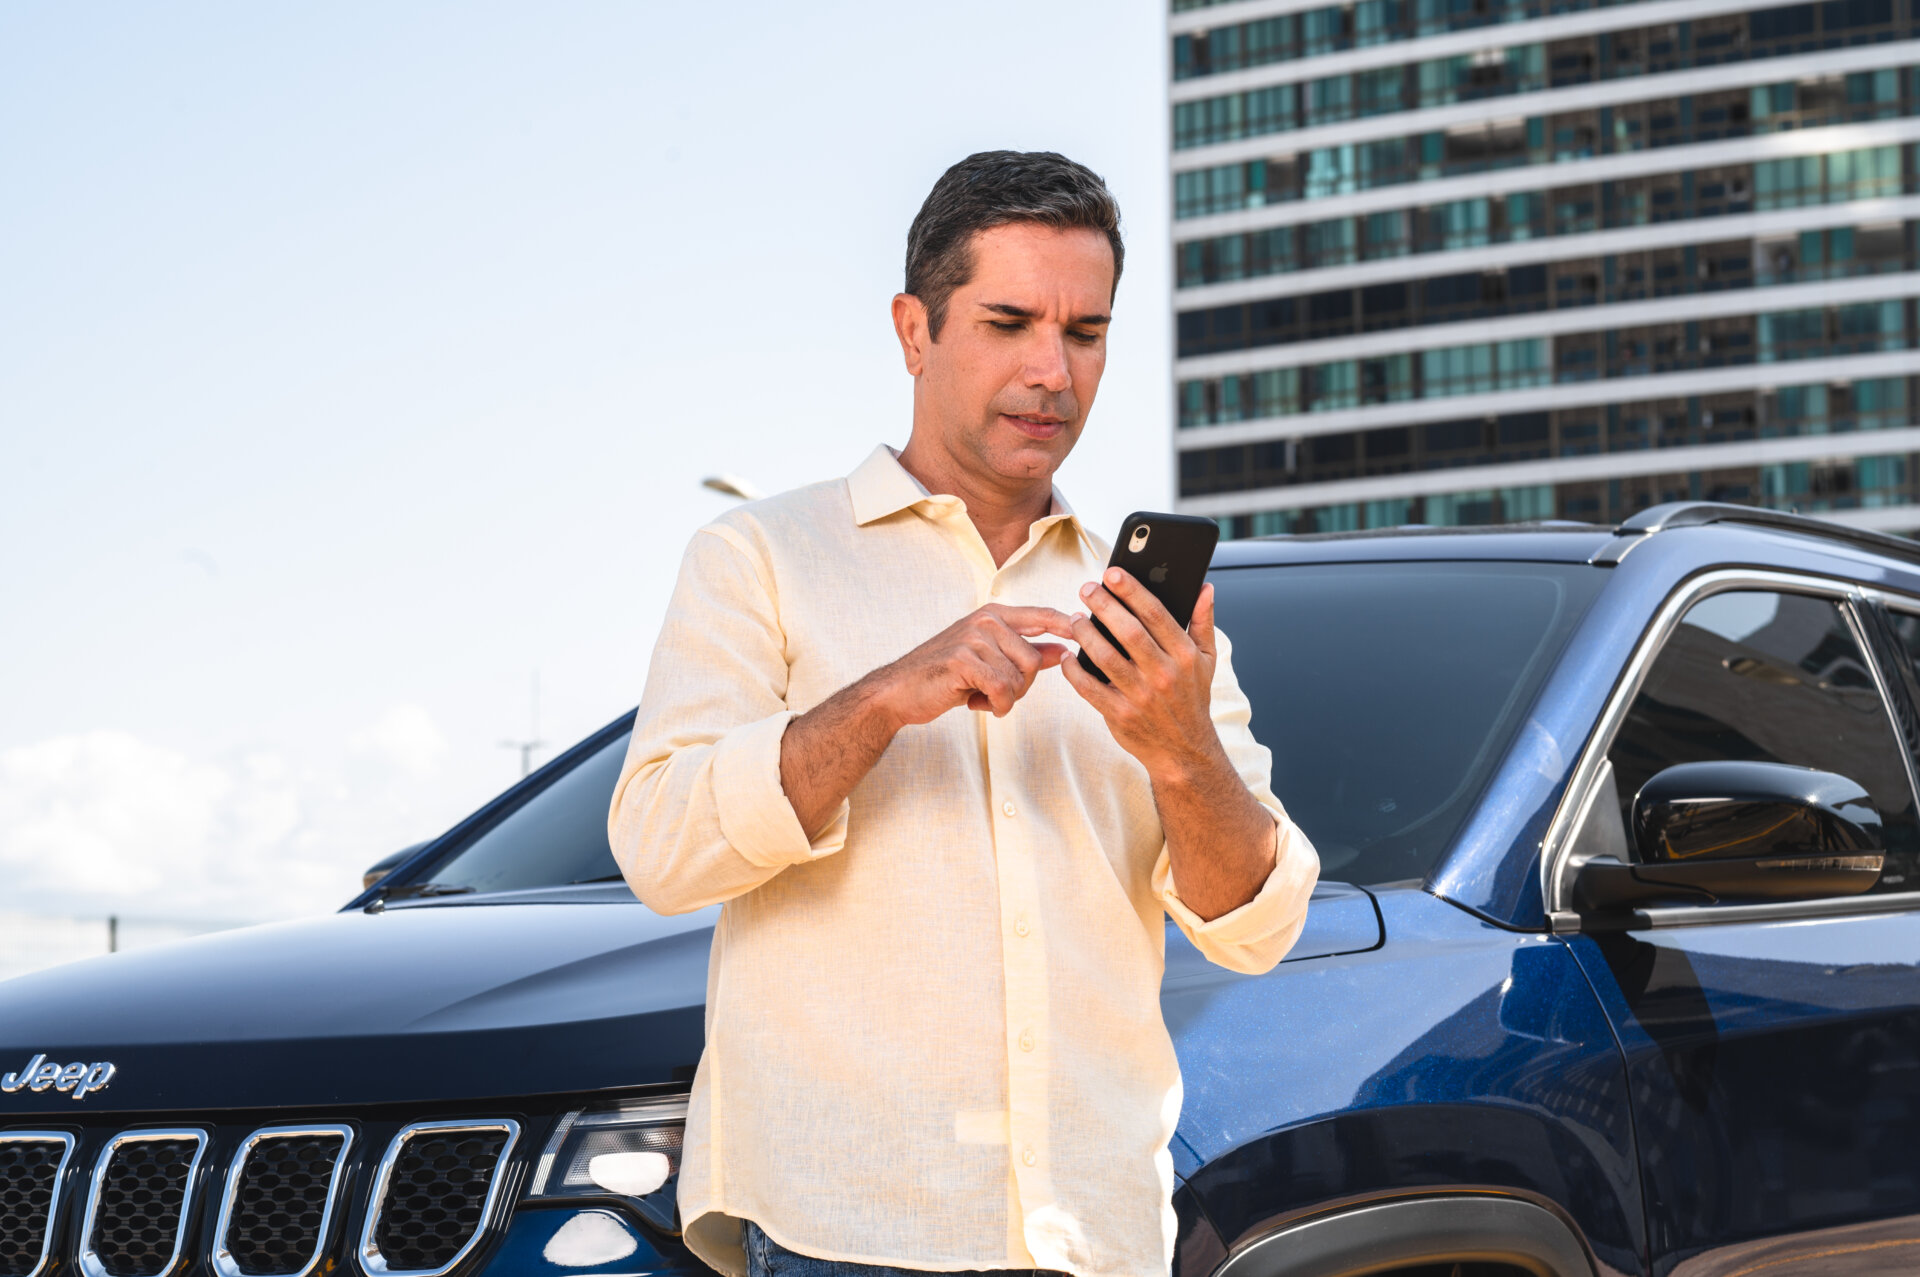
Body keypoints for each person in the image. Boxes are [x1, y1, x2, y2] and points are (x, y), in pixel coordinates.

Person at [609, 150, 1318, 1277]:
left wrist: (1182, 751)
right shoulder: (761, 558)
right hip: (844, 1228)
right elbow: (661, 846)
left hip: (1096, 1232)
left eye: (1085, 333)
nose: (1052, 370)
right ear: (914, 330)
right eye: (1009, 322)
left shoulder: (1153, 615)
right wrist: (889, 697)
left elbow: (1258, 924)